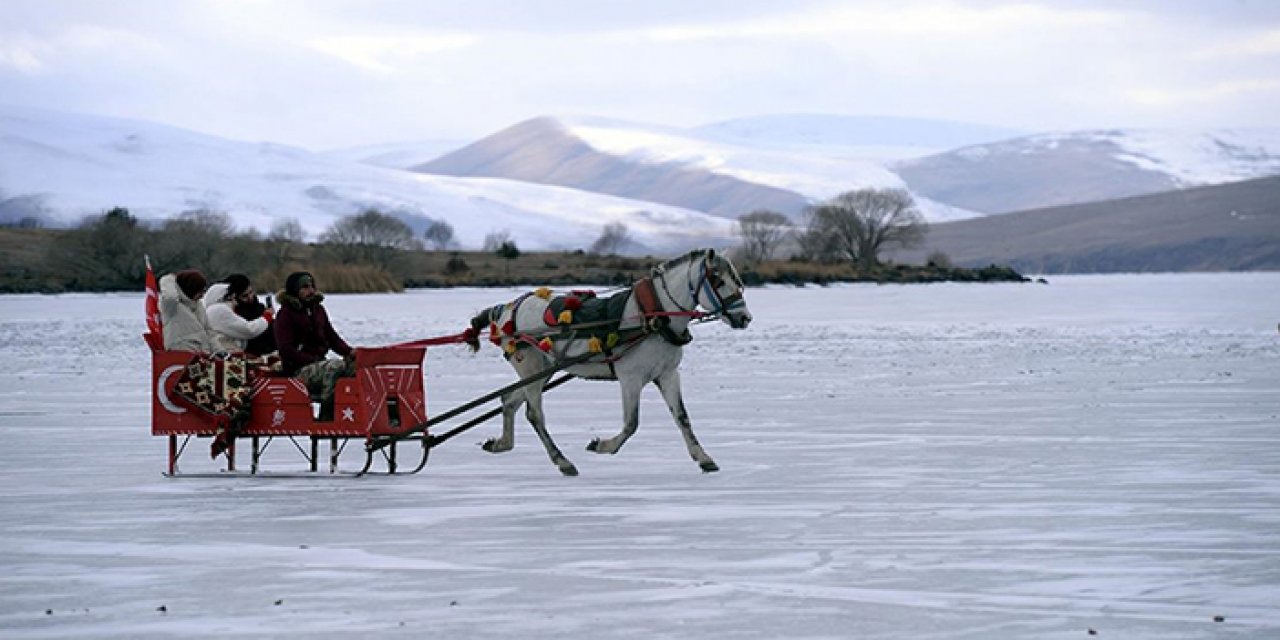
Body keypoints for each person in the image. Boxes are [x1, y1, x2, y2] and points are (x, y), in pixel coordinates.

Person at [274, 271, 355, 420]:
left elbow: (332, 337)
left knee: (355, 367)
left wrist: (351, 353)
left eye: (312, 286)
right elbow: (285, 349)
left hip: (319, 364)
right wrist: (312, 359)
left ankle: (354, 412)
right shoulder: (286, 314)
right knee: (335, 367)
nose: (310, 291)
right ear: (295, 290)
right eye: (305, 287)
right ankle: (326, 415)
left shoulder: (318, 310)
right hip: (298, 370)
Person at [202, 274, 271, 354]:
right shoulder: (221, 311)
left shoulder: (212, 310)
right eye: (244, 296)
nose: (250, 297)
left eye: (251, 292)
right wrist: (266, 317)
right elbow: (249, 329)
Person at [158, 269, 213, 352]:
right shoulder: (171, 306)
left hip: (202, 356)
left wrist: (220, 351)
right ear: (191, 288)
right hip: (180, 356)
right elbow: (170, 297)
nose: (202, 295)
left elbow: (209, 332)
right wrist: (168, 279)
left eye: (204, 291)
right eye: (200, 291)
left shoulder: (199, 306)